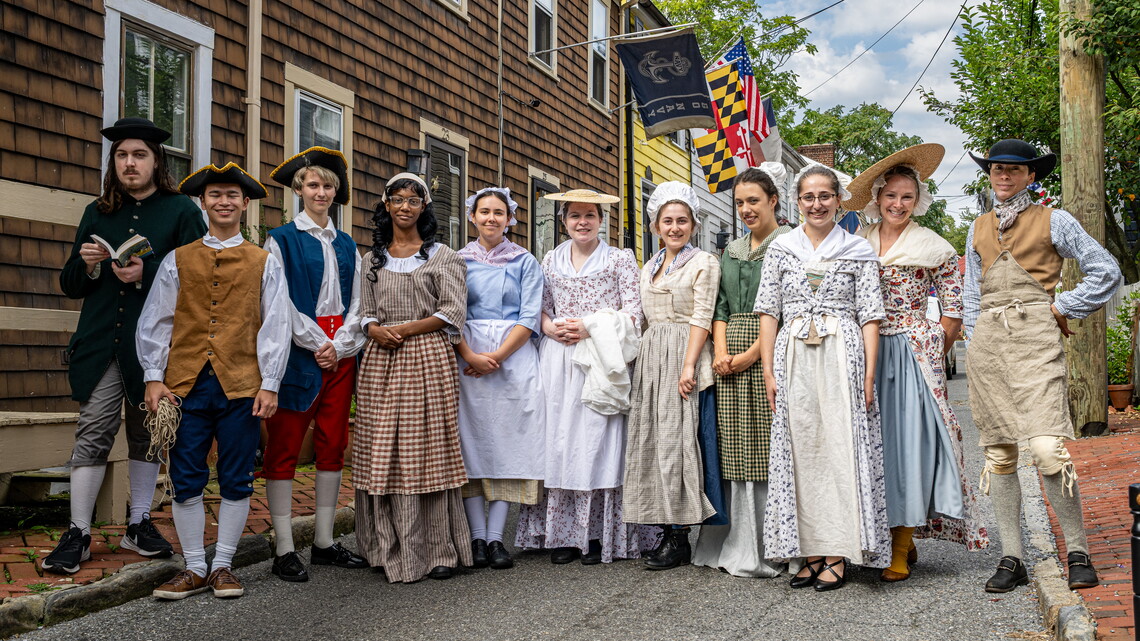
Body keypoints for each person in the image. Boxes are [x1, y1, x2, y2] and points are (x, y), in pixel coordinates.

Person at [45, 117, 206, 575]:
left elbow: (197, 282)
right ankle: (78, 531)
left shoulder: (181, 212)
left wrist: (146, 274)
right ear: (113, 163)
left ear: (157, 162)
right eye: (121, 155)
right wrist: (89, 265)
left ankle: (138, 524)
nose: (129, 163)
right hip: (100, 343)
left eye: (139, 155)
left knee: (145, 434)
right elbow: (70, 285)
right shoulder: (98, 211)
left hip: (154, 347)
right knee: (93, 430)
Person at [964, 139, 1121, 592]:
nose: (1004, 176)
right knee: (999, 451)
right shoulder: (978, 226)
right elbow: (972, 292)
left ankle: (1077, 550)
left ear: (1031, 175)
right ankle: (1012, 557)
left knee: (1049, 448)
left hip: (1036, 339)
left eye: (1015, 170)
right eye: (997, 169)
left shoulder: (1056, 219)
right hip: (988, 346)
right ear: (990, 174)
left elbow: (1105, 270)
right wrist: (974, 337)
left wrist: (1062, 306)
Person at [137, 162, 289, 599]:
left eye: (232, 195)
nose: (224, 202)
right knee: (186, 476)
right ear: (203, 202)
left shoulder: (264, 261)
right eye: (215, 195)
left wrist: (270, 382)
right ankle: (194, 567)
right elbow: (157, 322)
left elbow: (275, 325)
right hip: (185, 385)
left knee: (237, 474)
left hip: (242, 384)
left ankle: (223, 565)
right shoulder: (178, 259)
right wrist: (153, 376)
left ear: (244, 203)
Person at [844, 144, 989, 583]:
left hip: (911, 351)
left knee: (908, 447)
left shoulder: (933, 246)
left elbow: (953, 303)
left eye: (907, 197)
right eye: (891, 196)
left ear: (918, 200)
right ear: (877, 198)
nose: (898, 204)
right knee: (873, 446)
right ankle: (883, 535)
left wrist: (933, 344)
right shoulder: (856, 243)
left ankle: (902, 544)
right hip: (865, 349)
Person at [755, 165, 889, 591]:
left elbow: (870, 316)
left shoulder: (858, 250)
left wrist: (868, 374)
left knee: (839, 450)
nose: (817, 204)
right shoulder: (782, 248)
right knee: (802, 450)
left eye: (825, 196)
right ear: (798, 202)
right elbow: (768, 310)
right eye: (809, 197)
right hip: (793, 356)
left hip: (841, 356)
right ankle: (810, 550)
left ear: (838, 200)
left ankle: (838, 551)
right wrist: (768, 370)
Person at [515, 189, 657, 565]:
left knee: (599, 442)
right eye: (575, 216)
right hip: (559, 359)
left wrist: (591, 327)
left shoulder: (619, 259)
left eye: (590, 215)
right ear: (563, 221)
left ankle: (597, 534)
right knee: (560, 442)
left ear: (600, 220)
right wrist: (550, 329)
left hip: (601, 358)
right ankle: (561, 534)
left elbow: (634, 313)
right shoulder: (551, 259)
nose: (582, 222)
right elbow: (540, 308)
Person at [353, 173, 472, 582]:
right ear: (386, 205)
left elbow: (452, 312)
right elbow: (364, 310)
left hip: (426, 358)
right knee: (382, 451)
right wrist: (373, 329)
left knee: (425, 451)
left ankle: (438, 549)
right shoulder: (372, 259)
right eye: (397, 199)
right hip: (380, 362)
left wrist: (403, 330)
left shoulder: (442, 256)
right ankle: (385, 547)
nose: (405, 206)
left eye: (413, 200)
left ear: (424, 207)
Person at [261, 147, 368, 582]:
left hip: (340, 352)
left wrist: (341, 343)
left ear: (335, 191)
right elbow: (277, 299)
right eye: (312, 185)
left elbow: (360, 299)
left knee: (332, 441)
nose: (320, 191)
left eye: (327, 185)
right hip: (298, 351)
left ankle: (323, 541)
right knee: (284, 444)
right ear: (299, 190)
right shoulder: (281, 238)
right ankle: (284, 546)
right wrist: (316, 341)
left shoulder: (347, 244)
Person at [692, 164, 793, 578]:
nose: (746, 209)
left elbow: (787, 308)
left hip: (771, 349)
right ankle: (737, 541)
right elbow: (719, 307)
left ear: (773, 201)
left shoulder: (790, 245)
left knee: (768, 445)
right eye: (740, 202)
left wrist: (754, 354)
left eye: (754, 200)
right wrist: (720, 348)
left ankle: (775, 544)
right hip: (729, 352)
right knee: (733, 446)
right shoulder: (730, 251)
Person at [622, 182, 724, 570]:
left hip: (685, 352)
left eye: (683, 221)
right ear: (656, 226)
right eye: (668, 221)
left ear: (694, 225)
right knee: (654, 440)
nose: (675, 227)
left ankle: (681, 535)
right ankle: (665, 528)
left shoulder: (704, 263)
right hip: (653, 357)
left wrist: (688, 365)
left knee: (680, 442)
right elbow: (644, 317)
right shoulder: (649, 265)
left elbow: (702, 314)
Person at [455, 187, 545, 571]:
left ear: (510, 218)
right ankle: (475, 537)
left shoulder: (525, 261)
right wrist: (470, 354)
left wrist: (495, 357)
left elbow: (529, 316)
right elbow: (449, 312)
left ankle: (496, 539)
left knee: (508, 443)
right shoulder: (456, 261)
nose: (491, 218)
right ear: (472, 216)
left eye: (498, 212)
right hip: (466, 352)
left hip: (512, 354)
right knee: (469, 443)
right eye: (484, 211)